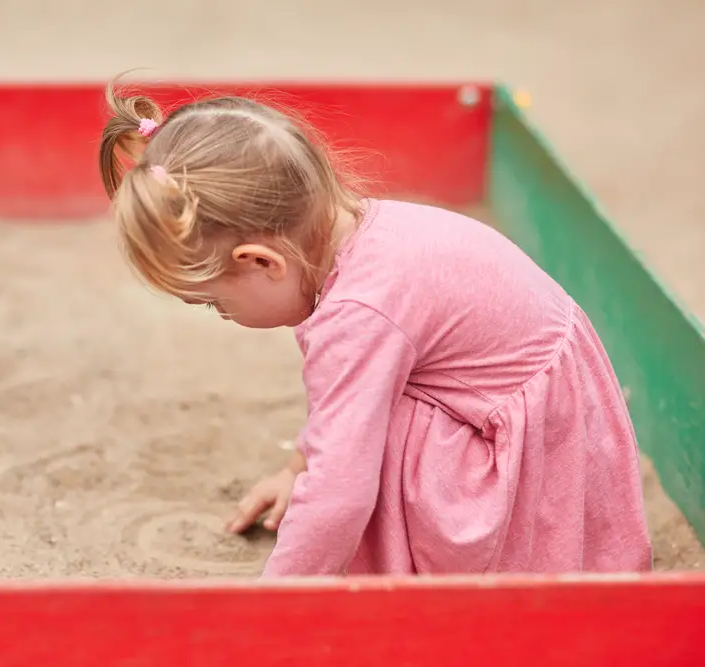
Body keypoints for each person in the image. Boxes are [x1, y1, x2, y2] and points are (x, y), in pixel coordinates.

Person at [97, 77, 652, 576]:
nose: (223, 316)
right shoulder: (365, 232)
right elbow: (340, 410)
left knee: (364, 439)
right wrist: (298, 468)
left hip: (528, 469)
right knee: (360, 404)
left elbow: (340, 495)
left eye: (215, 302)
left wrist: (271, 607)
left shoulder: (359, 314)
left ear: (262, 261)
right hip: (562, 430)